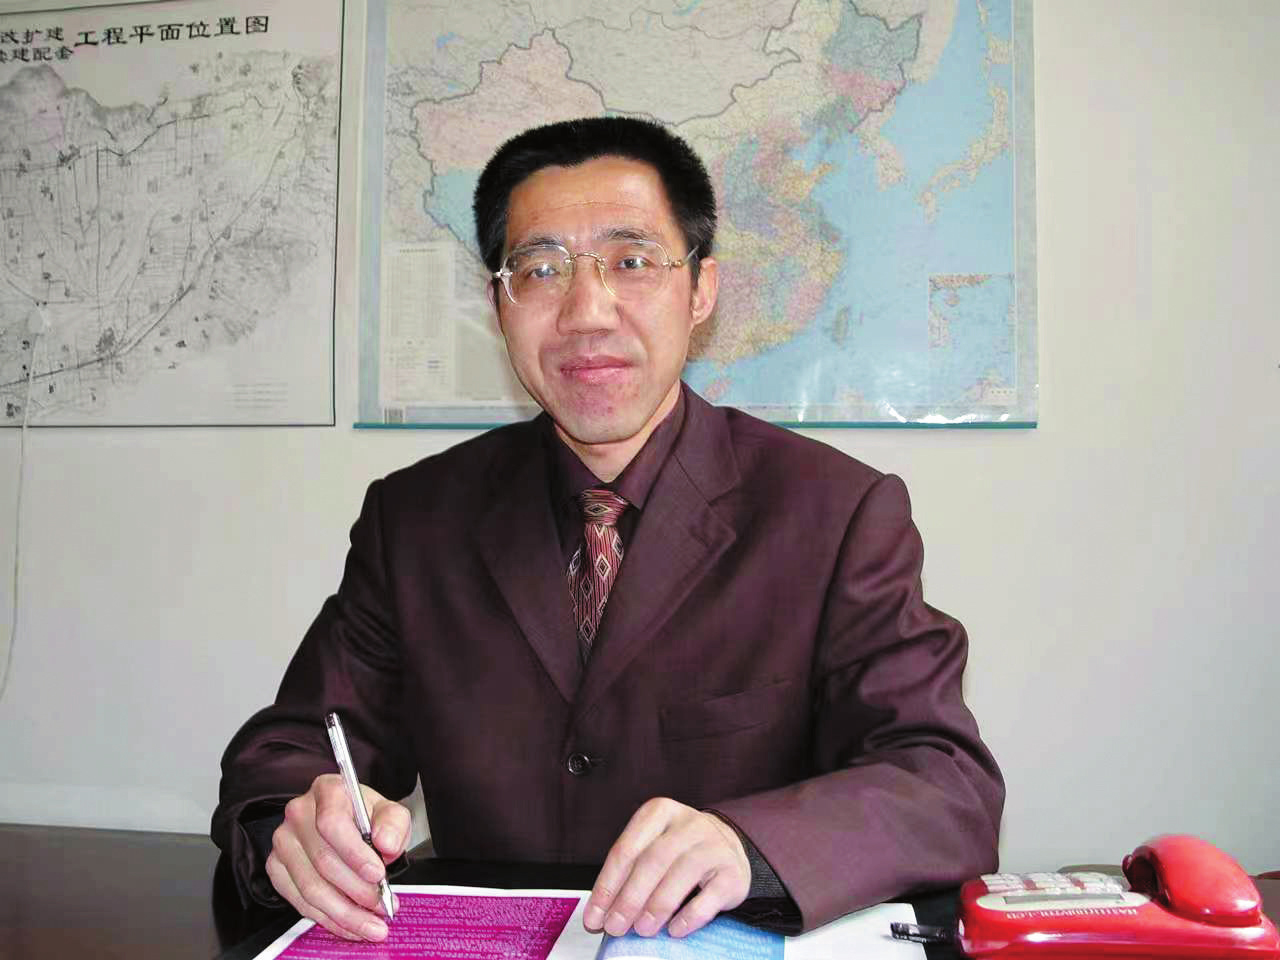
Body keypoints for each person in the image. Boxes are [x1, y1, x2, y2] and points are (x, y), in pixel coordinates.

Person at [212, 116, 1004, 945]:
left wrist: (751, 845)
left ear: (701, 290)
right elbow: (292, 744)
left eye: (632, 262)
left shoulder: (835, 511)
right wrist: (294, 822)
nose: (586, 313)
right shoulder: (414, 518)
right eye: (540, 270)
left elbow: (943, 784)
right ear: (497, 304)